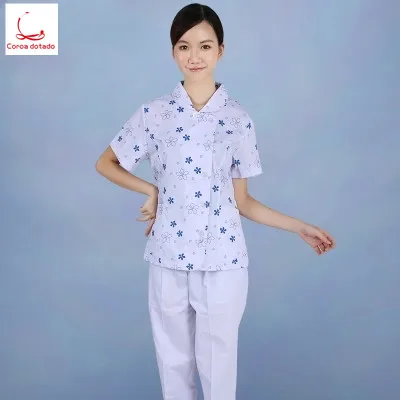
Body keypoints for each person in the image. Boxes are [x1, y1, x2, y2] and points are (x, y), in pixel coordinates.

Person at [95, 3, 336, 400]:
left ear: (221, 50)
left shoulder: (238, 120)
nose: (195, 56)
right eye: (184, 46)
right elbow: (106, 162)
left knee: (218, 368)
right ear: (173, 51)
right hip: (167, 257)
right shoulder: (153, 115)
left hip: (223, 260)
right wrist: (151, 190)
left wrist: (300, 227)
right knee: (173, 366)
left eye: (205, 46)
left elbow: (244, 202)